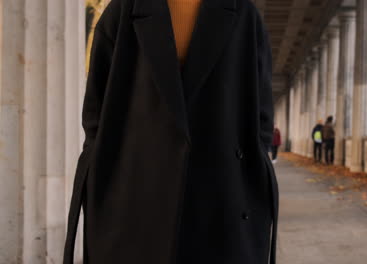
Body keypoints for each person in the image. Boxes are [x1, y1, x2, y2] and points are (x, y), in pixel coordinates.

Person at [63, 0, 279, 263]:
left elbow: (261, 116)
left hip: (223, 196)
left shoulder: (244, 14)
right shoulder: (123, 11)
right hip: (132, 196)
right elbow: (95, 113)